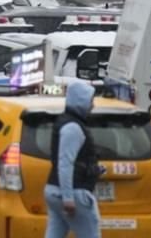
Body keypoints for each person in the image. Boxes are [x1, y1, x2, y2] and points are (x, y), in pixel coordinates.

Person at [44, 81, 100, 238]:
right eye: (90, 101)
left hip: (54, 190)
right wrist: (68, 197)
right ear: (81, 101)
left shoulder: (65, 123)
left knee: (55, 233)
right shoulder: (73, 128)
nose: (92, 106)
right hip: (75, 191)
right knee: (91, 233)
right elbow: (65, 163)